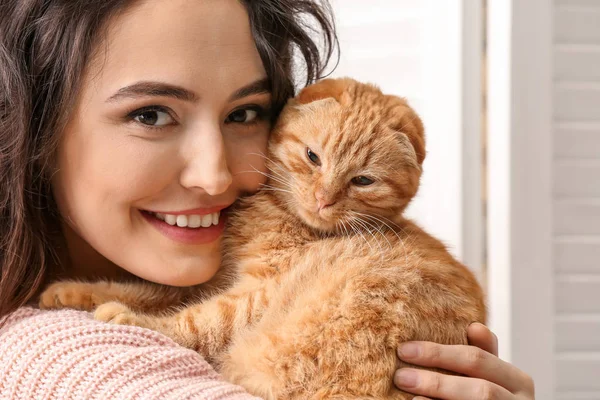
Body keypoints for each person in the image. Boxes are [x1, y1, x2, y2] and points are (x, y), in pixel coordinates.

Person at [0, 0, 535, 398]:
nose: (215, 176)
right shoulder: (86, 368)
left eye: (244, 114)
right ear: (32, 127)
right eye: (150, 114)